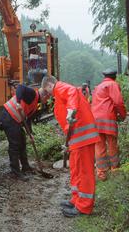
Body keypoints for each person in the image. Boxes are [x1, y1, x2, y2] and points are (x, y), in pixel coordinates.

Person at [41, 75, 100, 217]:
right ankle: (76, 200)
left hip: (83, 139)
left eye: (46, 90)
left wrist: (71, 110)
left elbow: (72, 92)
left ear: (49, 85)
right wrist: (68, 144)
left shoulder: (59, 87)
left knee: (84, 171)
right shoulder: (58, 95)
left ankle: (84, 207)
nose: (47, 94)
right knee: (76, 169)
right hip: (77, 140)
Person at [0, 84, 46, 180]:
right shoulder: (32, 93)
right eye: (48, 97)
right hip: (8, 116)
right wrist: (17, 103)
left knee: (22, 141)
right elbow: (20, 87)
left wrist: (30, 134)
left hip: (15, 119)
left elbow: (27, 119)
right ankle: (15, 172)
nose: (47, 100)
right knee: (15, 145)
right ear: (45, 95)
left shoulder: (35, 103)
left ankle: (25, 167)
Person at [91, 68, 127, 181]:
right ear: (114, 76)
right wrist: (123, 115)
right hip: (108, 119)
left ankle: (101, 174)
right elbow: (118, 102)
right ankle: (114, 169)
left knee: (99, 145)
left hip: (95, 120)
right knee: (112, 143)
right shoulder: (112, 84)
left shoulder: (98, 87)